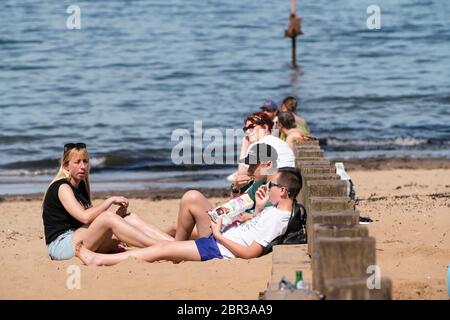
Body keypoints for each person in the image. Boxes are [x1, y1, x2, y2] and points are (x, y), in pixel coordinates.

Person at [74, 170, 302, 266]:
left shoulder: (278, 219)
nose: (267, 186)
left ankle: (99, 260)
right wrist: (258, 208)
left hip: (219, 248)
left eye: (272, 185)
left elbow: (251, 253)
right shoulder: (275, 211)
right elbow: (256, 230)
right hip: (220, 240)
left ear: (283, 191)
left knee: (162, 249)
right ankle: (128, 230)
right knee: (164, 246)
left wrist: (217, 235)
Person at [42, 143, 172, 261]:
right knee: (108, 217)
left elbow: (90, 222)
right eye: (77, 162)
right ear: (66, 166)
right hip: (62, 246)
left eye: (85, 161)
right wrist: (109, 201)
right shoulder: (62, 187)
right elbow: (85, 217)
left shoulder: (80, 187)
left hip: (81, 239)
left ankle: (173, 244)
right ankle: (162, 248)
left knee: (129, 218)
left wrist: (118, 216)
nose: (83, 166)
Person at [235, 112, 295, 193]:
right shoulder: (281, 142)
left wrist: (245, 142)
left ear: (265, 127)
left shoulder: (258, 145)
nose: (248, 132)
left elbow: (241, 177)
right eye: (245, 129)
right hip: (289, 186)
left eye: (251, 127)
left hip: (276, 190)